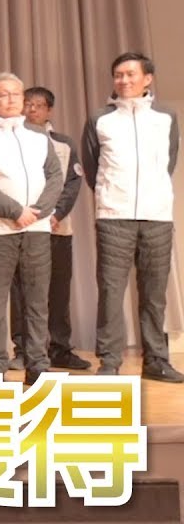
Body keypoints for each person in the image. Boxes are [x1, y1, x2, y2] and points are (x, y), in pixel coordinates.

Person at [81, 52, 182, 381]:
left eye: (130, 74)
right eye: (118, 75)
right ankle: (110, 361)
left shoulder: (166, 116)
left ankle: (156, 360)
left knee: (154, 292)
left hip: (157, 216)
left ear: (147, 78)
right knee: (111, 291)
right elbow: (92, 165)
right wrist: (110, 196)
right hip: (114, 216)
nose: (123, 80)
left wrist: (155, 194)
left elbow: (169, 160)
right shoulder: (101, 118)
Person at [0, 72, 61, 385]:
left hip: (37, 230)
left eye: (16, 94)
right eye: (3, 94)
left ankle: (38, 365)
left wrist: (38, 211)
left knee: (36, 301)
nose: (11, 100)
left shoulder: (38, 135)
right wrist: (15, 211)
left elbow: (55, 177)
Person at [16, 87, 88, 370]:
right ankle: (22, 349)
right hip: (24, 227)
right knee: (23, 290)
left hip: (57, 228)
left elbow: (72, 183)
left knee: (58, 290)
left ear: (49, 111)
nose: (32, 109)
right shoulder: (12, 139)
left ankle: (59, 347)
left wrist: (56, 213)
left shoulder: (63, 144)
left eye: (39, 105)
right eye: (28, 104)